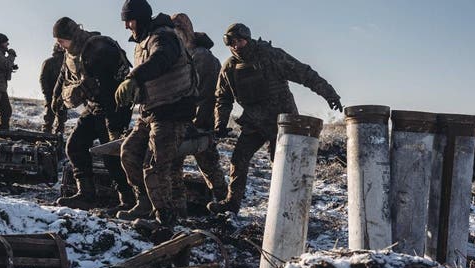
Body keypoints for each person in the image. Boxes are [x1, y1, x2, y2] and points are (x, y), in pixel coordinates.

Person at [208, 23, 343, 215]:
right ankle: (232, 204)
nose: (236, 46)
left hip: (283, 122)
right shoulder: (229, 67)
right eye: (232, 42)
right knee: (239, 159)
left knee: (281, 164)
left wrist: (329, 94)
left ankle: (290, 207)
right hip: (254, 121)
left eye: (240, 41)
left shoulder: (270, 56)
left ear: (248, 38)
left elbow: (304, 73)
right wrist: (220, 124)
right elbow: (223, 98)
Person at [115, 0, 197, 226]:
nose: (126, 26)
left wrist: (134, 78)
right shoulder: (143, 41)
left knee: (156, 166)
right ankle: (145, 204)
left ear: (139, 18)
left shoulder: (164, 37)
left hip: (172, 111)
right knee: (129, 152)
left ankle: (165, 218)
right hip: (151, 112)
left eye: (129, 20)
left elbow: (160, 59)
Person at [51, 17, 134, 212]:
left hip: (115, 106)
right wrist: (57, 101)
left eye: (61, 41)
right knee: (75, 145)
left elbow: (116, 78)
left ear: (71, 36)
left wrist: (110, 115)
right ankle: (86, 195)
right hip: (95, 105)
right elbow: (64, 77)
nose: (59, 45)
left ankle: (129, 200)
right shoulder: (70, 54)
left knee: (112, 154)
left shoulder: (99, 46)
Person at [169, 13, 228, 217]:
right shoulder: (181, 55)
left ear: (185, 32)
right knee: (173, 167)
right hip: (183, 123)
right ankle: (178, 211)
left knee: (209, 165)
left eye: (177, 31)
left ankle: (225, 206)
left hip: (199, 125)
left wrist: (197, 124)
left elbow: (205, 94)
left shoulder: (201, 57)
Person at [39, 43, 67, 134]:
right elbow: (43, 79)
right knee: (52, 117)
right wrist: (46, 93)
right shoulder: (49, 62)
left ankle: (54, 137)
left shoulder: (66, 63)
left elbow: (42, 79)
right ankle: (49, 136)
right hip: (53, 93)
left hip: (61, 93)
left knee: (59, 118)